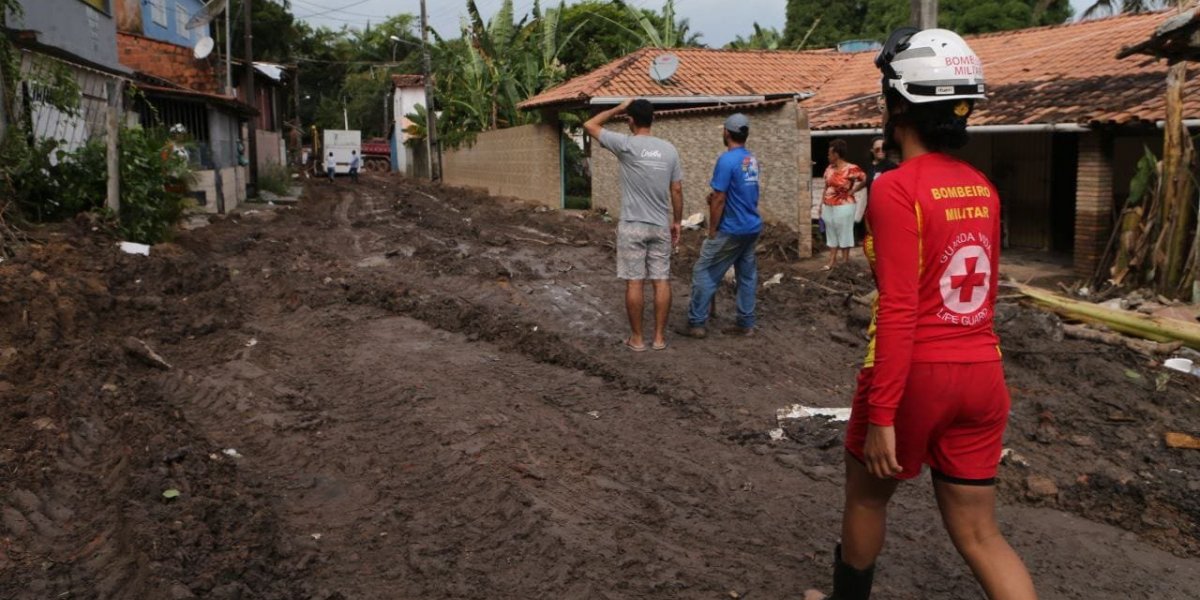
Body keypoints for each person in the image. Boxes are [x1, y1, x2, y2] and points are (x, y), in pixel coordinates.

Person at [804, 27, 1036, 600]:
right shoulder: (981, 187)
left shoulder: (895, 188)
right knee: (981, 534)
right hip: (983, 374)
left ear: (897, 104)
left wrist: (883, 414)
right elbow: (987, 291)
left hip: (914, 379)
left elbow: (902, 306)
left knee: (864, 496)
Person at [584, 98, 683, 352]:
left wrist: (617, 108)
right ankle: (659, 338)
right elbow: (677, 189)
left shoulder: (625, 144)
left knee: (635, 282)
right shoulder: (669, 150)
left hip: (633, 226)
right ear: (653, 119)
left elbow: (590, 124)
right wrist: (677, 222)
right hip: (660, 225)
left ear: (630, 120)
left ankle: (637, 339)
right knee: (661, 280)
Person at [679, 113, 761, 339]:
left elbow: (720, 199)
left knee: (703, 271)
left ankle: (696, 323)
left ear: (726, 132)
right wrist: (716, 197)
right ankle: (746, 323)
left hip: (731, 228)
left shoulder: (726, 160)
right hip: (751, 226)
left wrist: (712, 229)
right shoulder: (750, 160)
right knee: (746, 276)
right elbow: (739, 191)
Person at [819, 139, 866, 271]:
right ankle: (831, 261)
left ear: (836, 154)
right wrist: (821, 204)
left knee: (844, 231)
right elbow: (826, 186)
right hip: (828, 205)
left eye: (830, 153)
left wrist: (853, 190)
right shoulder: (829, 168)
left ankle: (845, 262)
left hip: (845, 205)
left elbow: (864, 179)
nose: (828, 156)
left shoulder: (851, 168)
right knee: (831, 231)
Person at [855, 137, 899, 242]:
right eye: (877, 149)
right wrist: (852, 191)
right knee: (872, 239)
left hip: (887, 208)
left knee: (886, 238)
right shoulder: (869, 165)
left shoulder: (891, 166)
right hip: (871, 208)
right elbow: (866, 181)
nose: (880, 152)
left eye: (883, 149)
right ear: (872, 151)